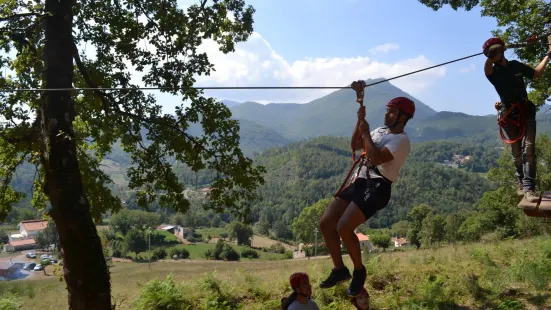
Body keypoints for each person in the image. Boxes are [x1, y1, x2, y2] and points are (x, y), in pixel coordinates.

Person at [318, 97, 414, 297]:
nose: (386, 114)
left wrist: (365, 134)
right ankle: (339, 269)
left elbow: (376, 158)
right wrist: (359, 122)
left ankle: (359, 271)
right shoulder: (379, 131)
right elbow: (355, 144)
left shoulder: (402, 141)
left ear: (402, 117)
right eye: (387, 110)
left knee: (344, 226)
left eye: (391, 111)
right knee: (326, 223)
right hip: (360, 180)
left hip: (378, 185)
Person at [483, 36, 551, 202]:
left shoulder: (515, 65)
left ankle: (529, 188)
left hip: (526, 110)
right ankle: (520, 182)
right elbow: (487, 68)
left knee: (529, 149)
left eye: (497, 51)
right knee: (516, 153)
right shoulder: (493, 72)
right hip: (509, 115)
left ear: (503, 50)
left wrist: (549, 54)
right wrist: (491, 57)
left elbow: (536, 73)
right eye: (492, 53)